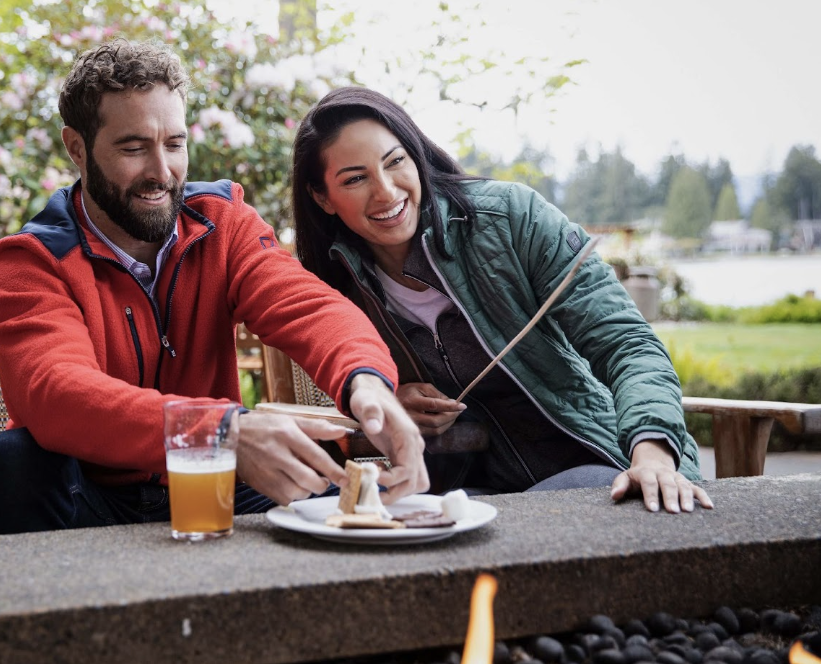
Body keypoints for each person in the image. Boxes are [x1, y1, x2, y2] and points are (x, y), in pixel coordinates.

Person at [0, 41, 426, 536]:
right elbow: (57, 395)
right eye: (133, 148)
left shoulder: (223, 224)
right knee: (14, 461)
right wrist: (222, 431)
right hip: (91, 496)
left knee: (335, 485)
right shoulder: (30, 260)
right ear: (77, 147)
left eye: (173, 144)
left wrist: (367, 383)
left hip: (215, 481)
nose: (162, 172)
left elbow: (308, 305)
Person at [291, 86, 713, 514]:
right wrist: (390, 397)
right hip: (475, 487)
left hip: (603, 465)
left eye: (395, 161)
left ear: (415, 156)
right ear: (322, 197)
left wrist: (653, 452)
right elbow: (340, 397)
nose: (385, 192)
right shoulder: (335, 285)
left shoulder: (512, 218)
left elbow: (625, 342)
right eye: (355, 178)